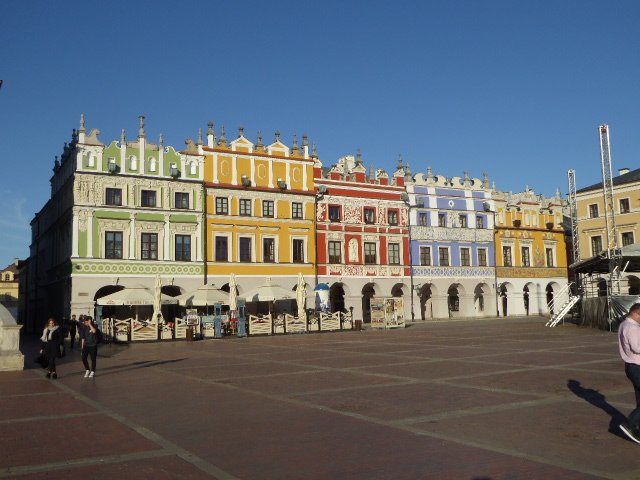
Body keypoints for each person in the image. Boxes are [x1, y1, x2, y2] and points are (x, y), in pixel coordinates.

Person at [618, 303, 640, 443]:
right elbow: (637, 348)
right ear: (636, 313)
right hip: (636, 366)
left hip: (632, 366)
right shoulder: (632, 328)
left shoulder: (624, 325)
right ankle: (630, 424)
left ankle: (636, 428)